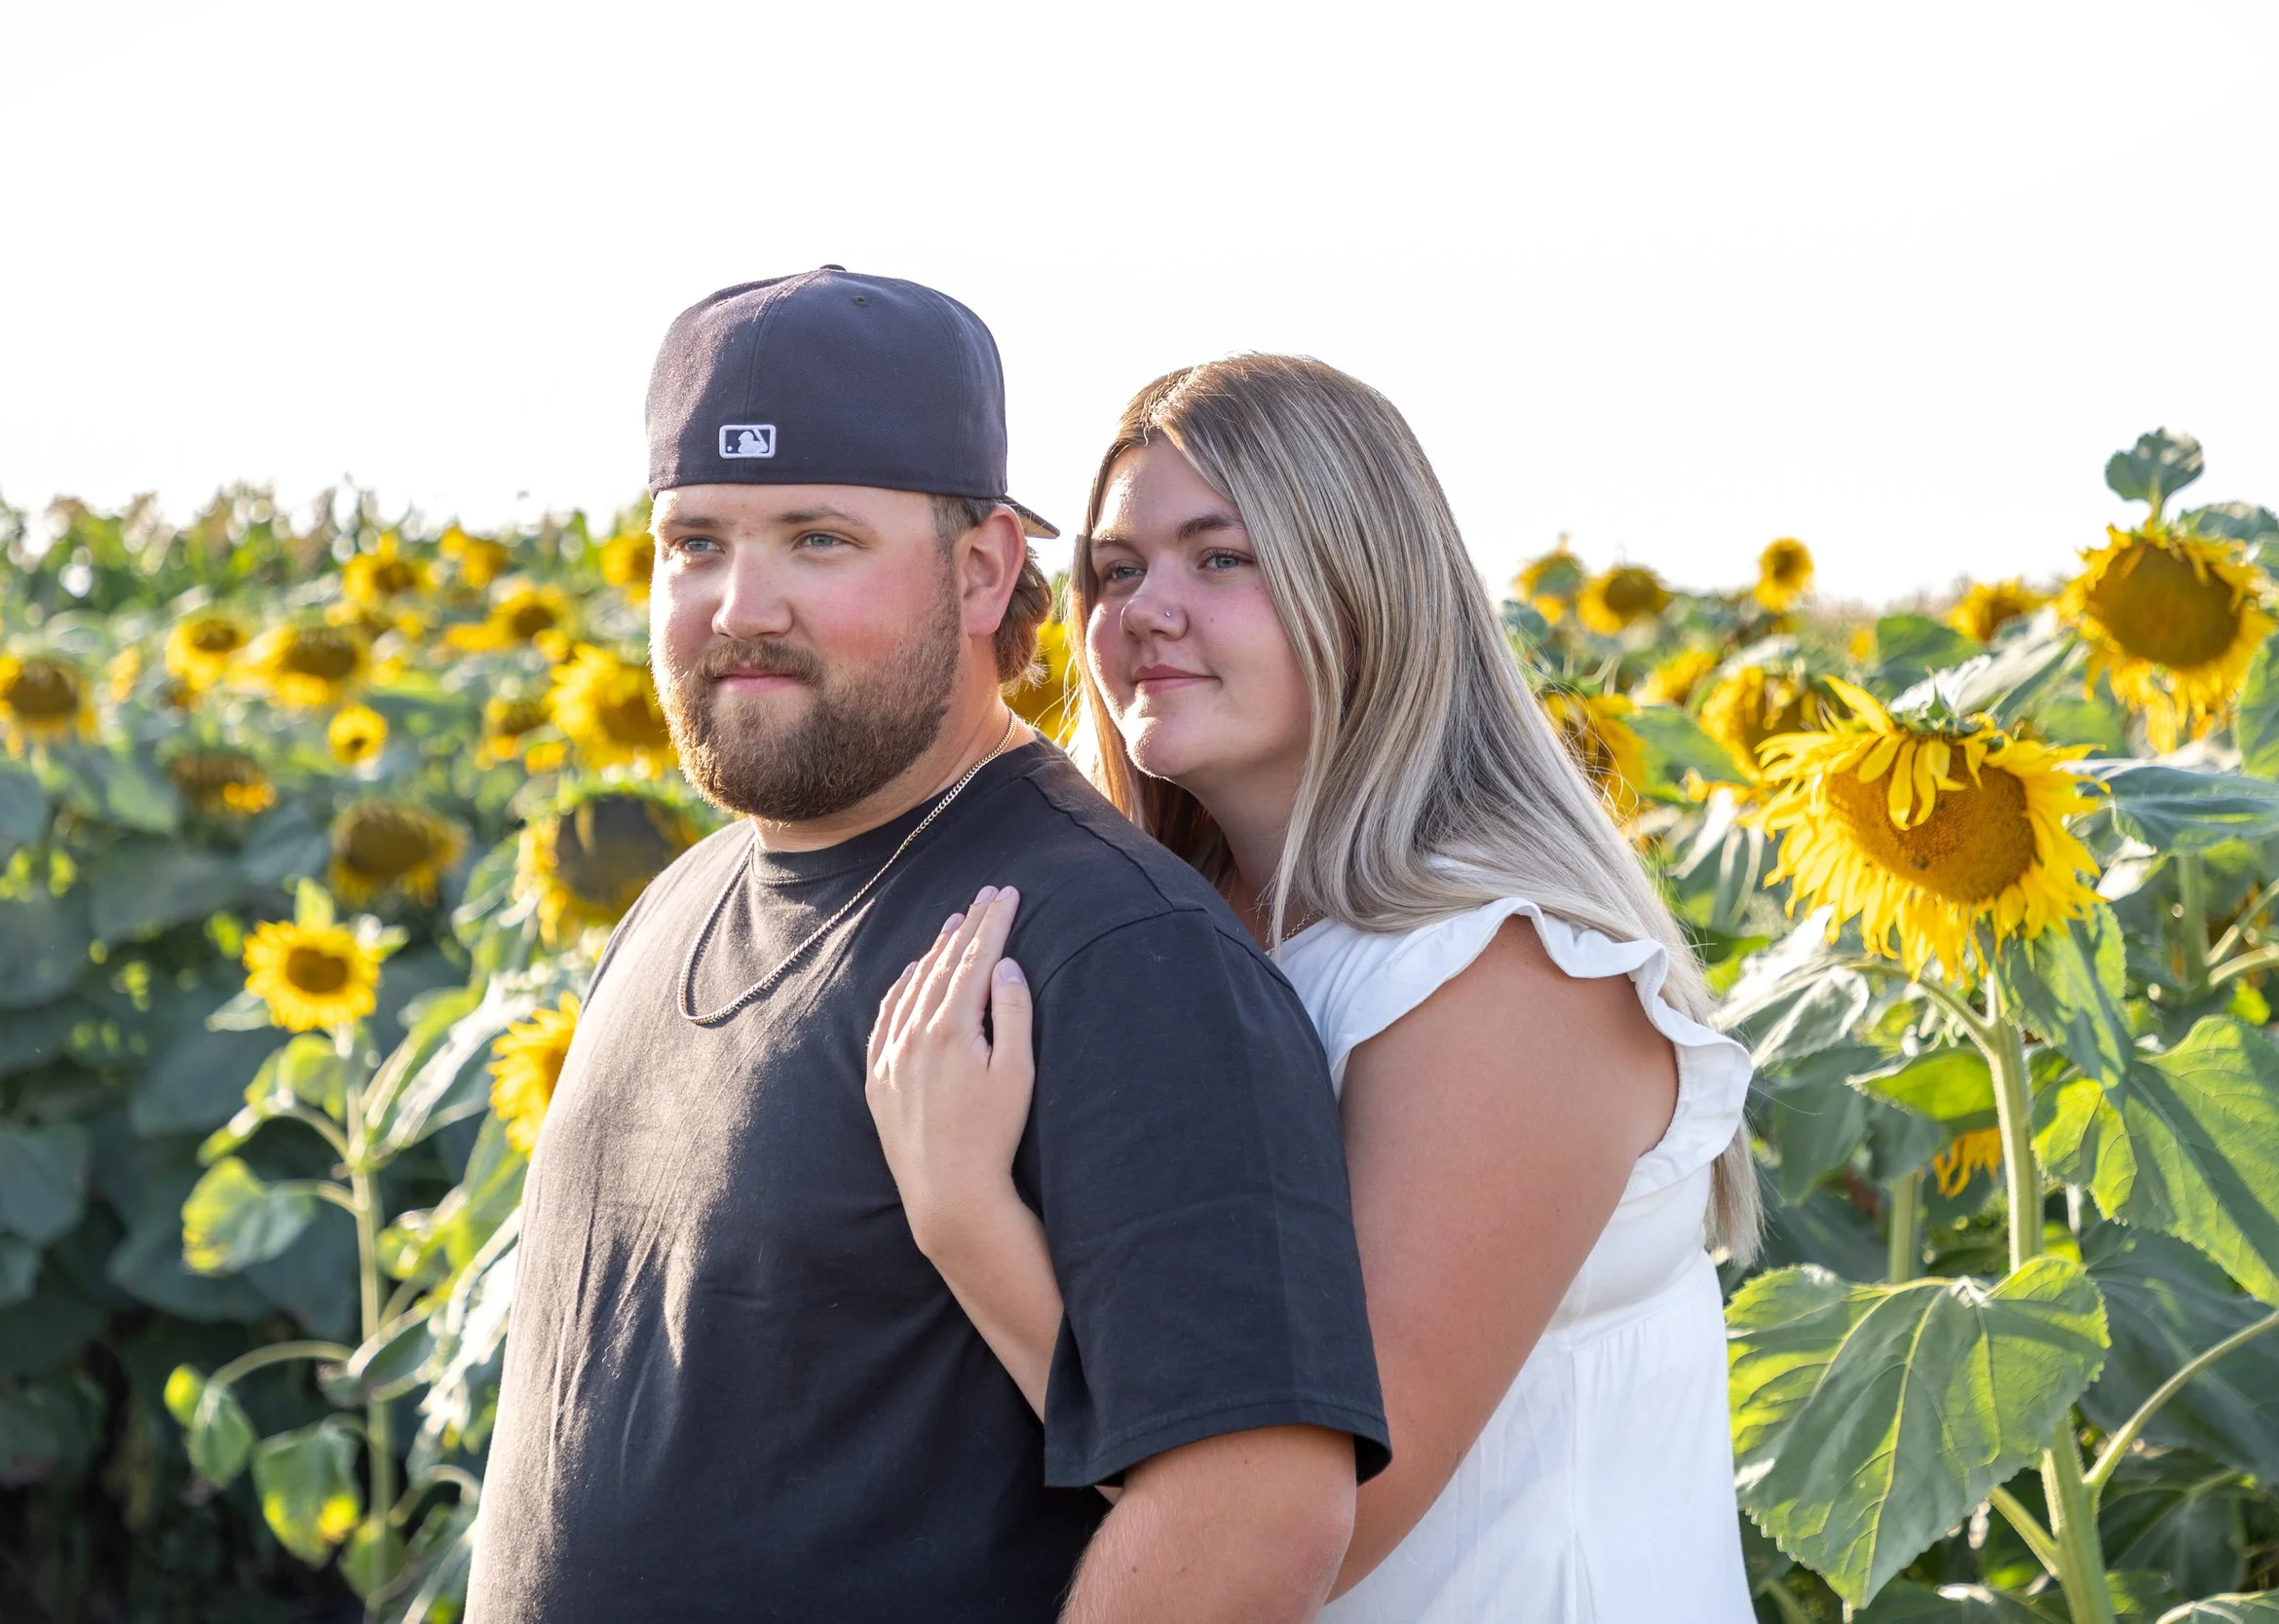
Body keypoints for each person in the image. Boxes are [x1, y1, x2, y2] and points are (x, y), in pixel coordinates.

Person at [464, 272, 1389, 1624]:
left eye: (818, 538)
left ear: (982, 571)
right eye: (695, 543)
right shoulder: (679, 899)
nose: (738, 605)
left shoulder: (1111, 953)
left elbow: (1254, 1510)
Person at [866, 355, 1761, 1622]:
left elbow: (1308, 1528)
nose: (1145, 611)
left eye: (1219, 557)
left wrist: (964, 1214)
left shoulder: (1503, 973)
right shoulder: (1195, 942)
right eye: (1116, 571)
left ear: (1362, 585)